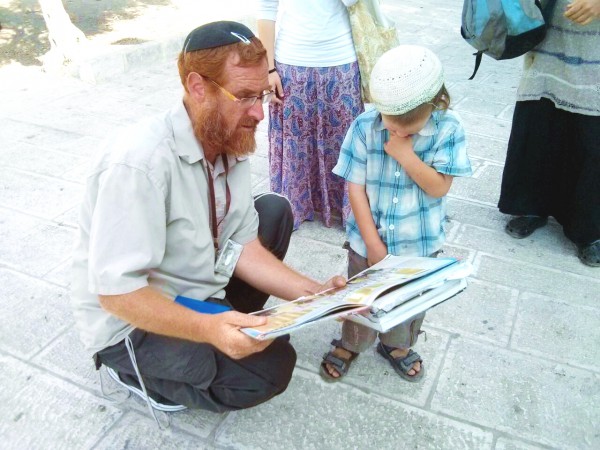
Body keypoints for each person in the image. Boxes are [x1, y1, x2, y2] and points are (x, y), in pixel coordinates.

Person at [70, 21, 345, 416]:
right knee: (270, 368)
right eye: (246, 96)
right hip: (130, 322)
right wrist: (207, 329)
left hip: (191, 285)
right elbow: (116, 293)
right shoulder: (138, 164)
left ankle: (219, 315)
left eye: (263, 95)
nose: (259, 113)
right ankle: (134, 371)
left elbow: (244, 246)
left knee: (274, 211)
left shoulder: (227, 137)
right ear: (198, 87)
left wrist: (318, 295)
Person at [321, 45, 472, 382]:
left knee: (408, 301)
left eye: (411, 126)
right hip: (367, 240)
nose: (401, 132)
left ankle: (397, 345)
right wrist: (373, 244)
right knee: (362, 297)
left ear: (437, 102)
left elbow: (439, 187)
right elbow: (355, 188)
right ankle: (353, 342)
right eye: (392, 122)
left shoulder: (449, 129)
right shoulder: (364, 126)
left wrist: (406, 155)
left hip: (419, 243)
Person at [498, 0, 600, 266]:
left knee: (593, 135)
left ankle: (589, 227)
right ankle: (531, 205)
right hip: (548, 32)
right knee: (540, 117)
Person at [256, 0, 364, 230]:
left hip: (341, 59)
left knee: (345, 140)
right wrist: (268, 68)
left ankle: (350, 206)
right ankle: (293, 204)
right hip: (290, 63)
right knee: (295, 142)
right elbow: (266, 9)